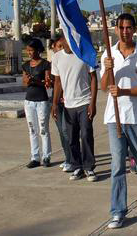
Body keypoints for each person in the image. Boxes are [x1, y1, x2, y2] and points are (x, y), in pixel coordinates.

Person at [101, 13, 137, 229]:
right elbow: (104, 86)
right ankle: (117, 211)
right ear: (116, 29)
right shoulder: (109, 53)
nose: (125, 31)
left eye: (129, 28)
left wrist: (124, 91)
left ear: (135, 30)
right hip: (114, 118)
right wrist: (108, 69)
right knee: (117, 166)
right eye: (121, 27)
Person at [51, 35, 98, 182]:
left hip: (84, 102)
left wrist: (93, 103)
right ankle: (77, 166)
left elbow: (93, 78)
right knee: (71, 138)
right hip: (68, 104)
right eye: (65, 38)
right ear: (61, 41)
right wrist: (54, 103)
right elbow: (57, 83)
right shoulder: (57, 57)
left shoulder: (84, 54)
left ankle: (89, 167)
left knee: (85, 135)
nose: (68, 41)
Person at [22, 38, 52, 168]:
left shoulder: (45, 64)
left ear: (38, 50)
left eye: (31, 50)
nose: (29, 53)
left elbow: (48, 83)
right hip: (29, 101)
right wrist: (28, 80)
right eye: (27, 50)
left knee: (43, 129)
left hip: (41, 101)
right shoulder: (26, 65)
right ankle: (35, 157)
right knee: (32, 129)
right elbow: (24, 82)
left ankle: (46, 156)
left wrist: (36, 81)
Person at [48, 35, 73, 172]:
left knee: (66, 130)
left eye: (62, 47)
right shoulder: (55, 61)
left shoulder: (69, 59)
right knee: (61, 131)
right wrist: (54, 103)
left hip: (69, 100)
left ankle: (73, 158)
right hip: (57, 100)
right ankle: (68, 158)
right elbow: (56, 82)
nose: (60, 49)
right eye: (58, 47)